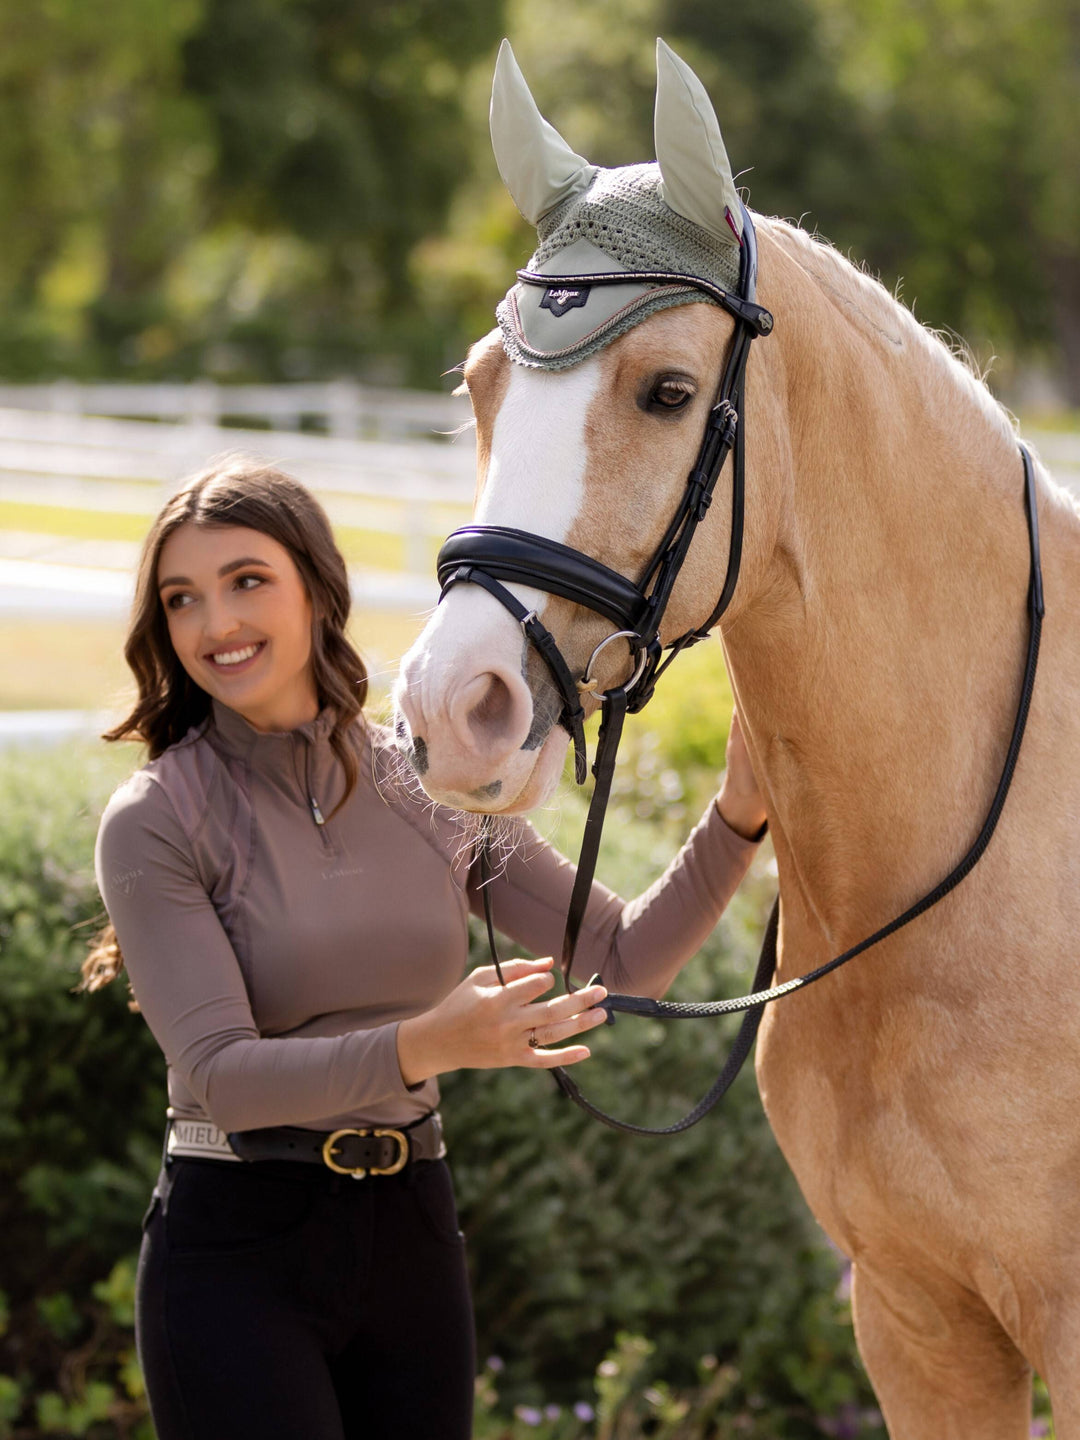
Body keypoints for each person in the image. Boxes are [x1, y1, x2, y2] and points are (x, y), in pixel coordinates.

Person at [87, 455, 767, 1440]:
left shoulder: (421, 781)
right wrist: (433, 1042)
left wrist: (739, 816)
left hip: (411, 1225)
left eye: (247, 582)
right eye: (181, 599)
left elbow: (621, 955)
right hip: (235, 1246)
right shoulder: (156, 818)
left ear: (319, 591)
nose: (214, 624)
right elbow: (222, 1079)